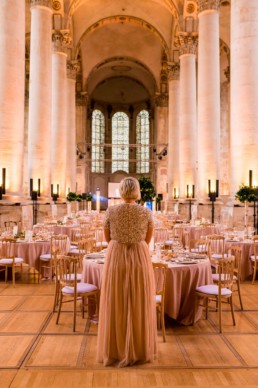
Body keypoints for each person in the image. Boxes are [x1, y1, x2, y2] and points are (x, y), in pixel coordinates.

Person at [97, 177, 157, 367]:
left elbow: (107, 237)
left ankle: (115, 349)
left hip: (116, 255)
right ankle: (139, 349)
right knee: (139, 299)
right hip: (139, 255)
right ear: (137, 191)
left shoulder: (111, 210)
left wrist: (120, 246)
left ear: (121, 191)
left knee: (116, 299)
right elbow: (148, 238)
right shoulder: (145, 211)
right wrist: (135, 246)